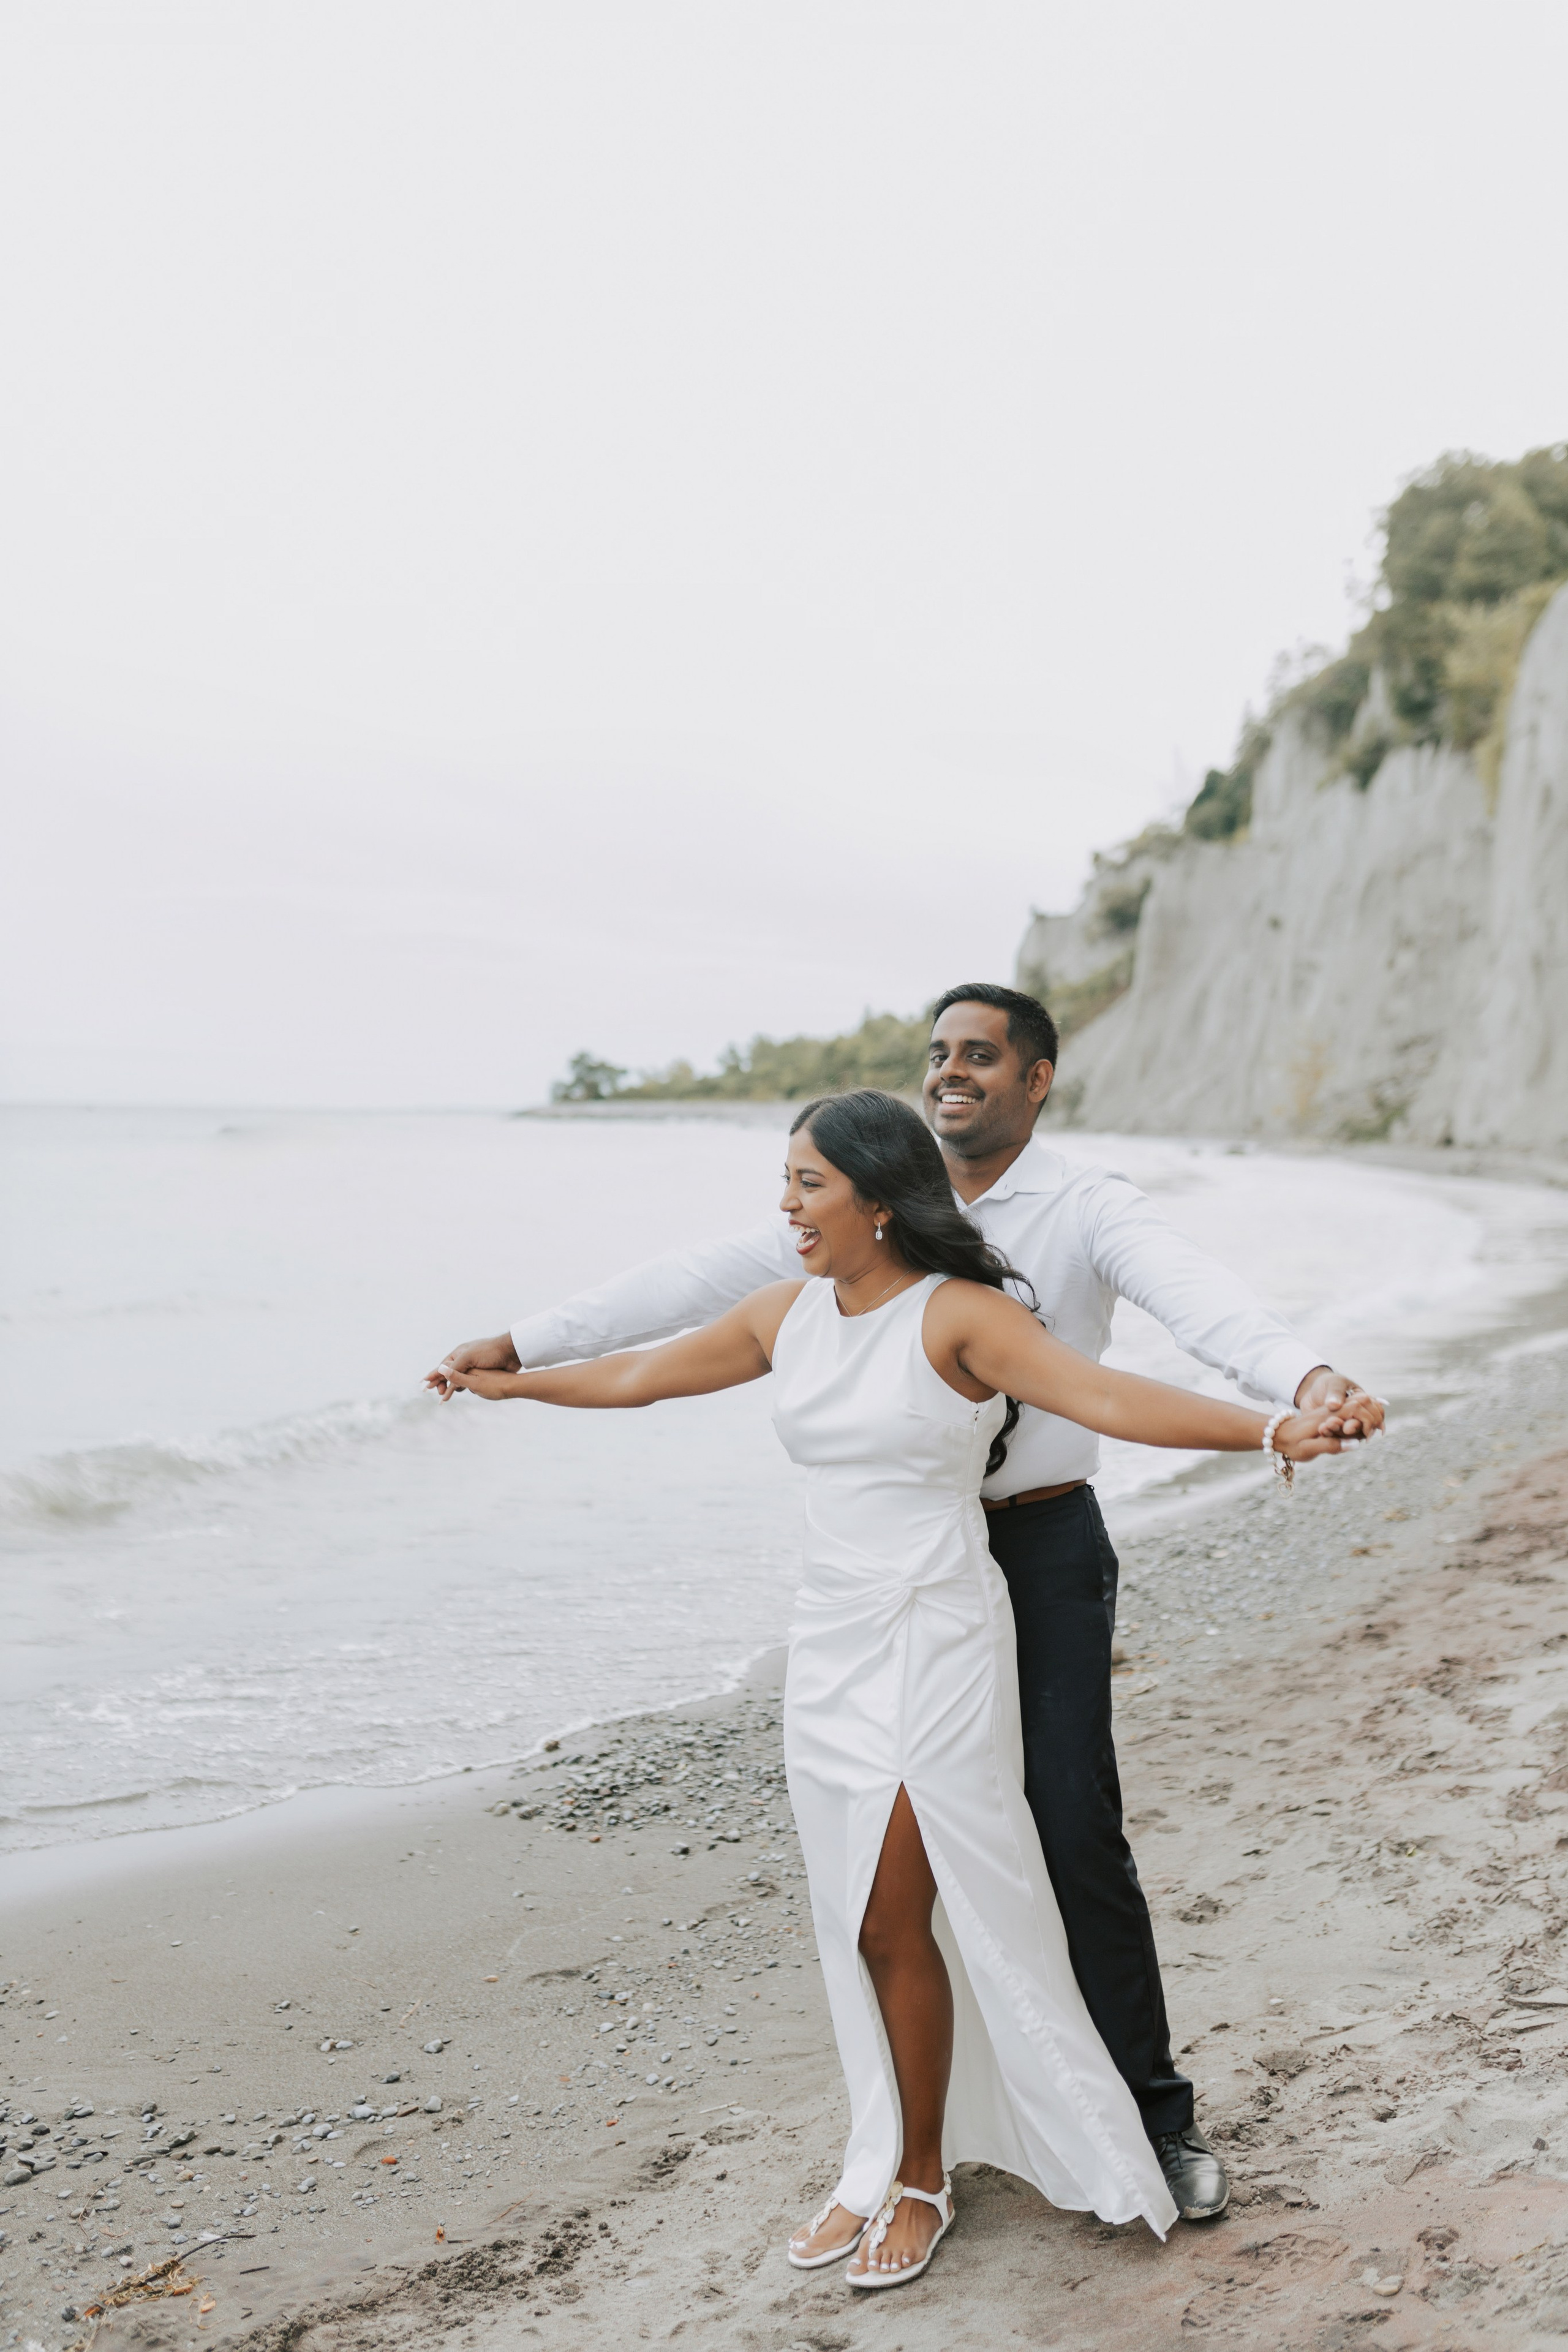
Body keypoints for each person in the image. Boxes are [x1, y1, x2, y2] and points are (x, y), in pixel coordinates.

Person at [428, 982, 1385, 2222]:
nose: (952, 1073)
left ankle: (1149, 2117)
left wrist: (1289, 1398)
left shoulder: (1075, 1215)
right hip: (863, 1589)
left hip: (1027, 1556)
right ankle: (940, 2135)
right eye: (937, 1053)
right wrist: (522, 1345)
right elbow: (677, 1306)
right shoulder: (853, 1208)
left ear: (1034, 1079)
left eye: (979, 1056)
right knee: (898, 1875)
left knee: (1062, 1826)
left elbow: (1179, 1326)